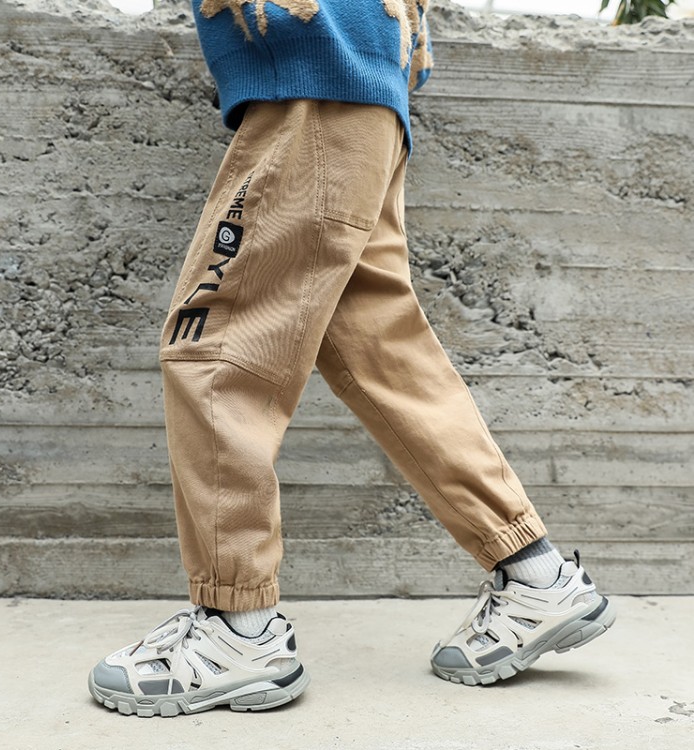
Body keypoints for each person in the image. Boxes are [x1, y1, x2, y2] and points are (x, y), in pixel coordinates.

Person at [88, 0, 615, 716]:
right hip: (362, 90)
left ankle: (237, 632)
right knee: (381, 353)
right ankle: (536, 576)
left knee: (216, 349)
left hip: (312, 80)